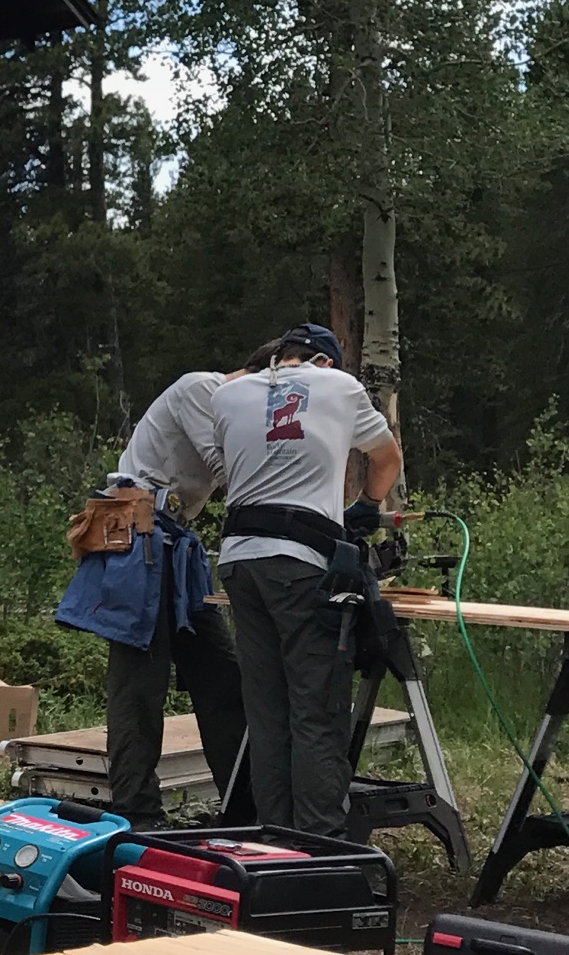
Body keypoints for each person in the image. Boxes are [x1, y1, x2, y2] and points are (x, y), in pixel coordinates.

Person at [211, 323, 401, 836]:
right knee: (315, 711)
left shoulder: (230, 394)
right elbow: (387, 457)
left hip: (239, 561)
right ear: (326, 363)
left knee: (268, 713)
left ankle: (275, 842)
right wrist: (366, 505)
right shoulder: (340, 386)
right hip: (300, 563)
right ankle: (320, 847)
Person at [59, 369, 252, 829]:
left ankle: (246, 810)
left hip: (174, 541)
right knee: (139, 686)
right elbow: (226, 465)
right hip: (142, 538)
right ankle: (135, 812)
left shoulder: (226, 402)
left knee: (221, 677)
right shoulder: (201, 389)